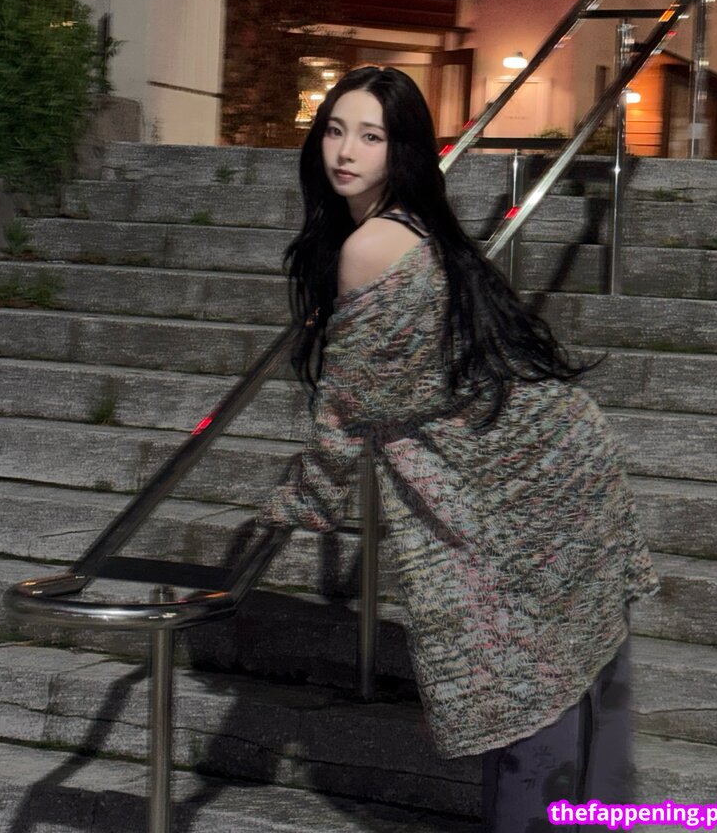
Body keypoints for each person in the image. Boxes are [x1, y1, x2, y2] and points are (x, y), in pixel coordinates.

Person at [257, 65, 658, 831]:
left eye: (370, 136)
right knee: (549, 686)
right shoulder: (416, 227)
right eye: (335, 131)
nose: (345, 151)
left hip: (527, 484)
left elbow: (345, 413)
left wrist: (297, 504)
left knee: (521, 686)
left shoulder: (372, 244)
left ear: (402, 149)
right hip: (546, 465)